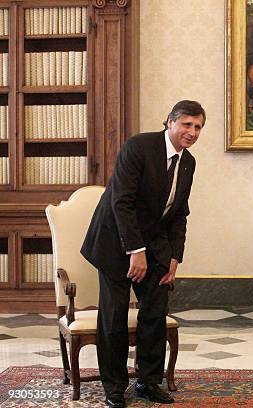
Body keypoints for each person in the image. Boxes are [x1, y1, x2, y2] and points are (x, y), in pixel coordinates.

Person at [81, 100, 205, 408]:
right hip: (115, 242)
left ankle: (148, 382)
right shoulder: (139, 146)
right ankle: (114, 387)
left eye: (198, 126)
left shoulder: (187, 162)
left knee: (154, 313)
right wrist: (134, 251)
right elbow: (121, 202)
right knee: (114, 315)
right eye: (187, 124)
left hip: (154, 246)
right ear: (170, 123)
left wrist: (174, 259)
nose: (192, 132)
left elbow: (179, 214)